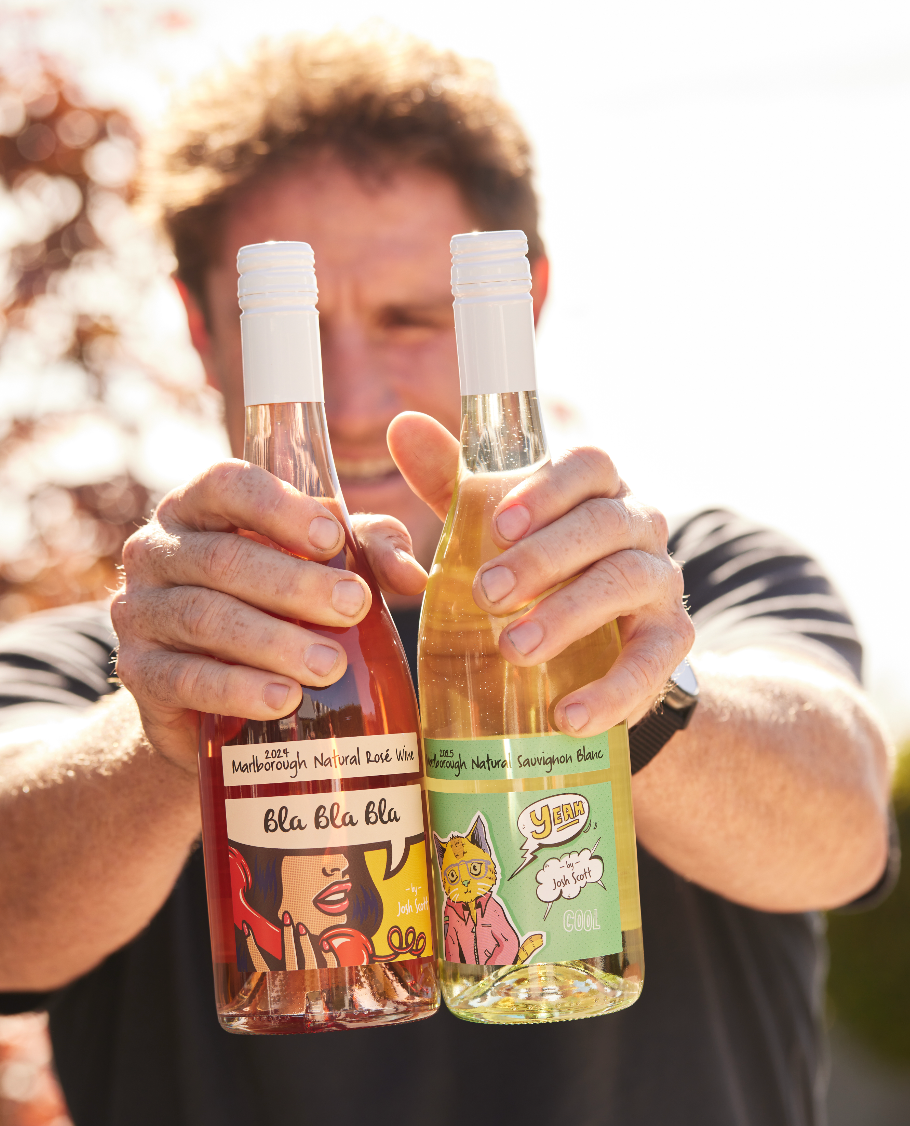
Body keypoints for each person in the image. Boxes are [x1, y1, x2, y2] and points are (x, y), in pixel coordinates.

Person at [0, 32, 895, 1126]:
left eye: (410, 318)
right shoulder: (113, 658)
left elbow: (846, 828)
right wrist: (158, 736)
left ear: (517, 299)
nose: (354, 398)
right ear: (204, 329)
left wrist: (645, 690)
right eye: (301, 328)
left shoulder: (695, 575)